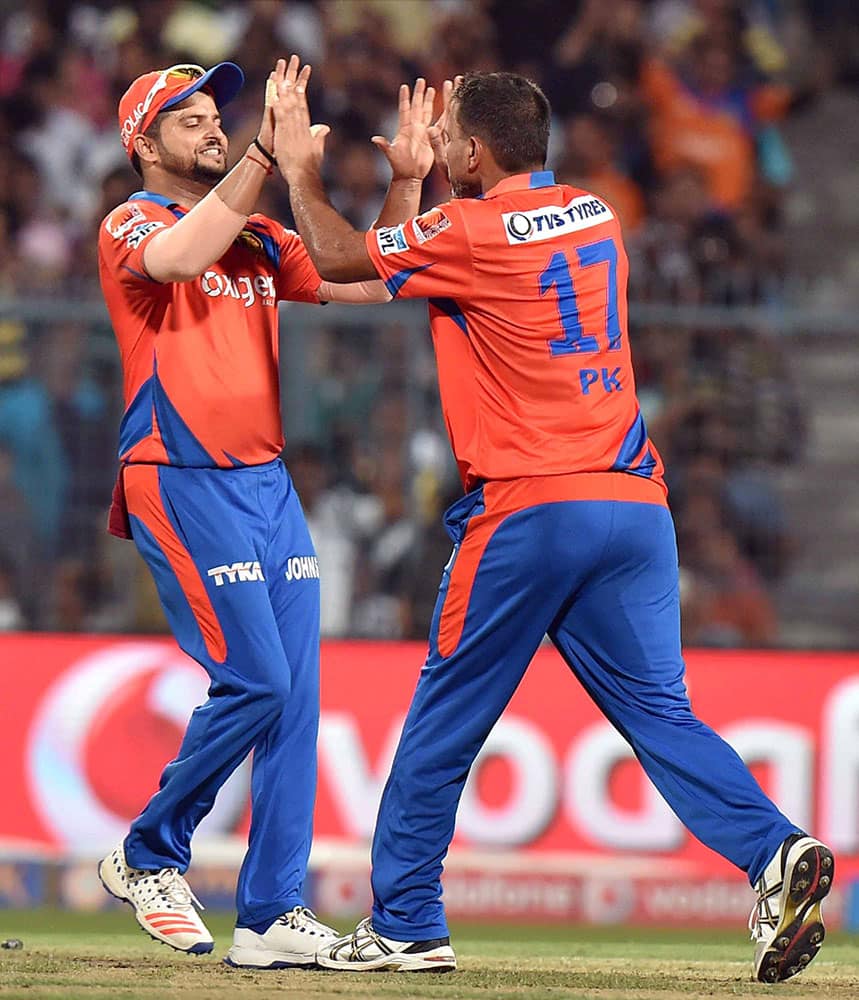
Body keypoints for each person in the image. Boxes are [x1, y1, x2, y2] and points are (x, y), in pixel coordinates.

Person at [269, 64, 834, 982]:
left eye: (449, 133)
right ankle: (772, 852)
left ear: (476, 150)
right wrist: (412, 180)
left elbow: (345, 265)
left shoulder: (468, 231)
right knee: (659, 711)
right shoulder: (595, 212)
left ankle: (406, 920)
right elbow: (408, 264)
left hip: (531, 508)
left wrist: (299, 170)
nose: (441, 140)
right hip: (633, 505)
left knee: (444, 717)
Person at [95, 56, 435, 969]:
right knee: (257, 683)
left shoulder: (253, 232)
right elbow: (173, 259)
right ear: (143, 143)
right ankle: (146, 854)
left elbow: (369, 281)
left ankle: (269, 914)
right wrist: (261, 156)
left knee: (297, 702)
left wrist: (404, 185)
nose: (210, 127)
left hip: (267, 486)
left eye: (218, 115)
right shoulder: (132, 221)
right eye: (188, 119)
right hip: (179, 474)